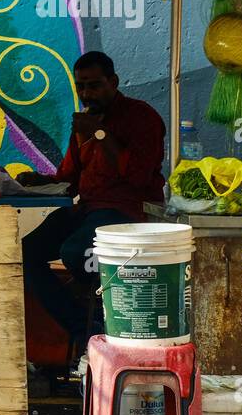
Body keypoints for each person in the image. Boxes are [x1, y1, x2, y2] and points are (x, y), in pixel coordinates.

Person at [19, 51, 166, 358]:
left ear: (113, 82)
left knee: (75, 252)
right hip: (87, 209)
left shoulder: (143, 117)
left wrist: (99, 134)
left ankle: (107, 323)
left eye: (94, 86)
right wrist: (37, 181)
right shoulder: (83, 123)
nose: (86, 94)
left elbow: (138, 177)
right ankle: (84, 330)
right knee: (25, 253)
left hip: (127, 213)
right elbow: (70, 177)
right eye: (80, 86)